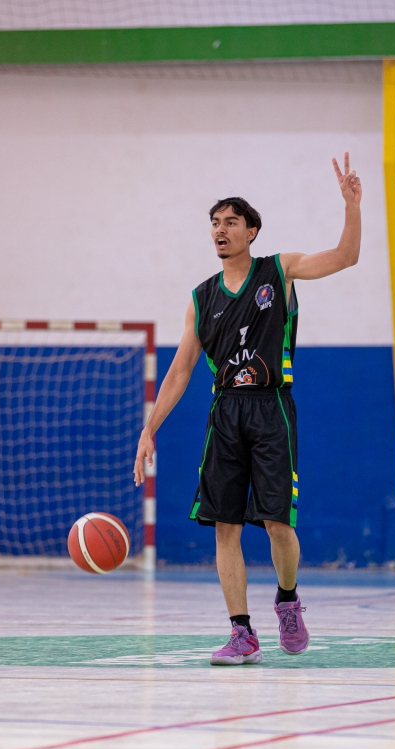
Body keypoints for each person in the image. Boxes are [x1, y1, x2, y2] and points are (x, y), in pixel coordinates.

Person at [134, 154, 361, 665]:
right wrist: (150, 429)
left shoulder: (279, 270)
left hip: (271, 407)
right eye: (215, 223)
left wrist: (351, 206)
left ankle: (287, 600)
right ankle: (242, 633)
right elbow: (179, 371)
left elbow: (346, 257)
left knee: (278, 524)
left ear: (251, 231)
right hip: (226, 412)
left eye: (231, 222)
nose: (221, 229)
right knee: (226, 526)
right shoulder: (201, 298)